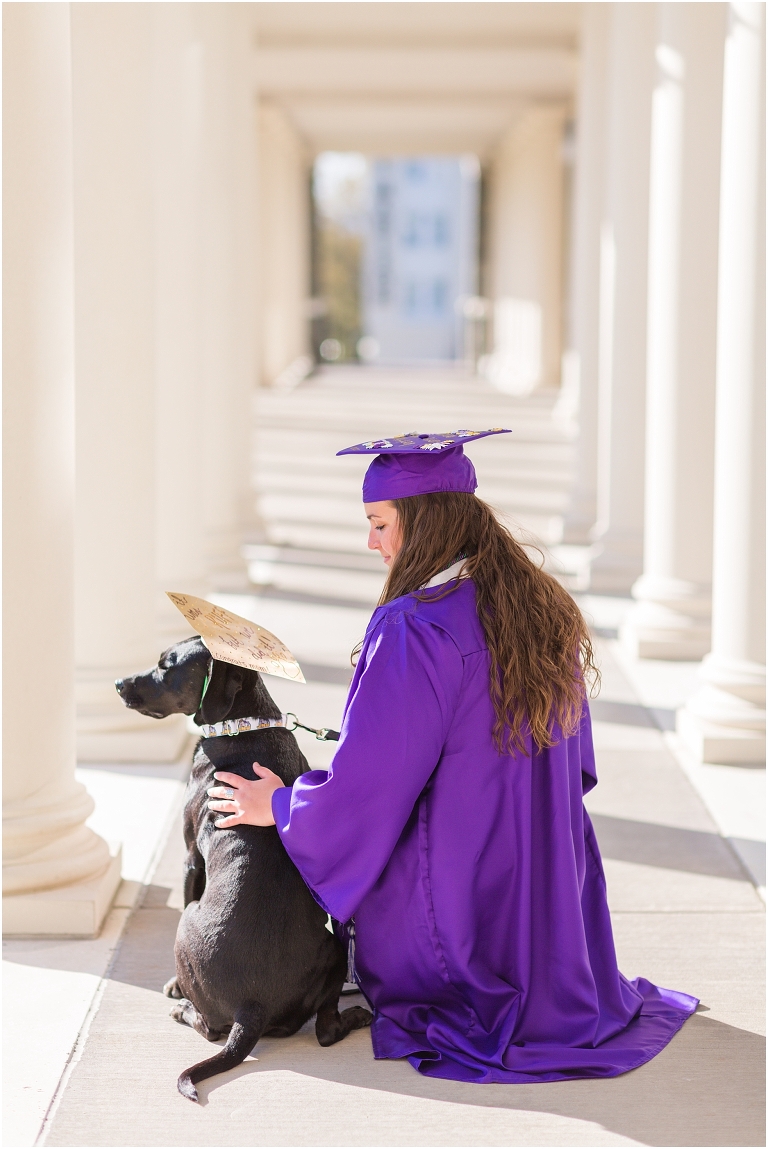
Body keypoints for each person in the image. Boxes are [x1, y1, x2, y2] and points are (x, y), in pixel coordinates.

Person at [207, 430, 697, 1084]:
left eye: (380, 523)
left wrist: (282, 804)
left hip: (464, 896)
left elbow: (372, 783)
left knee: (388, 890)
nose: (373, 543)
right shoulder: (539, 602)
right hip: (548, 877)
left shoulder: (415, 626)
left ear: (425, 521)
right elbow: (575, 758)